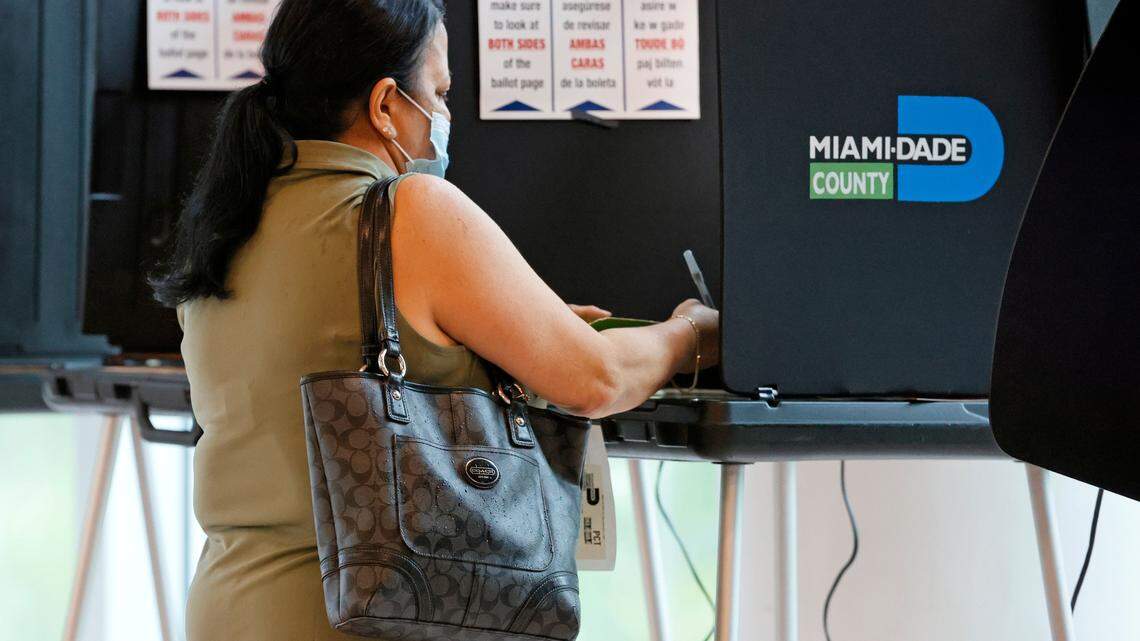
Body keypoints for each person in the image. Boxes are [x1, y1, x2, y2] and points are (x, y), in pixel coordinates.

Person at [148, 0, 719, 638]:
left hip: (229, 606)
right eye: (440, 93)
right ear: (386, 104)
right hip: (366, 620)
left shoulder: (227, 226)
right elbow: (600, 381)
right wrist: (692, 332)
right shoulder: (410, 209)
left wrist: (514, 334)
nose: (445, 116)